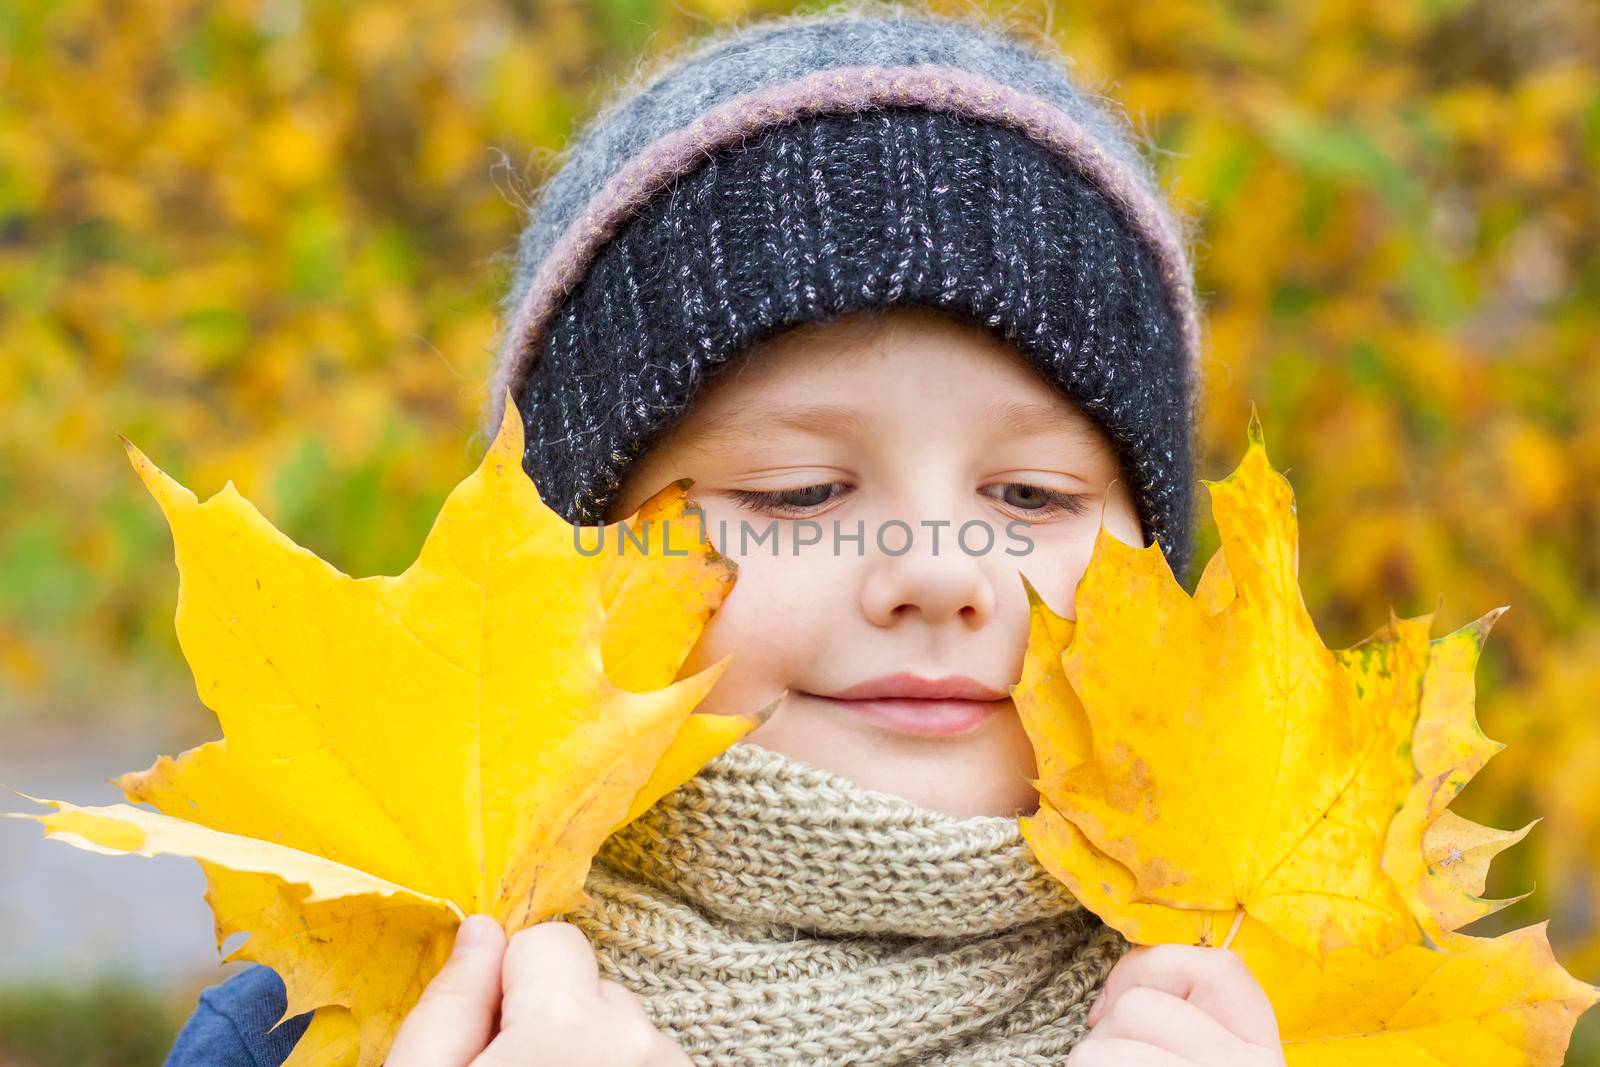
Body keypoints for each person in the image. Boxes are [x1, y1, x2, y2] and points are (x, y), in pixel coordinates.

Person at [165, 2, 1286, 1064]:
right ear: (571, 561)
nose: (943, 572)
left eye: (1033, 496)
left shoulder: (1306, 996)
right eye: (799, 493)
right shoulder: (337, 1012)